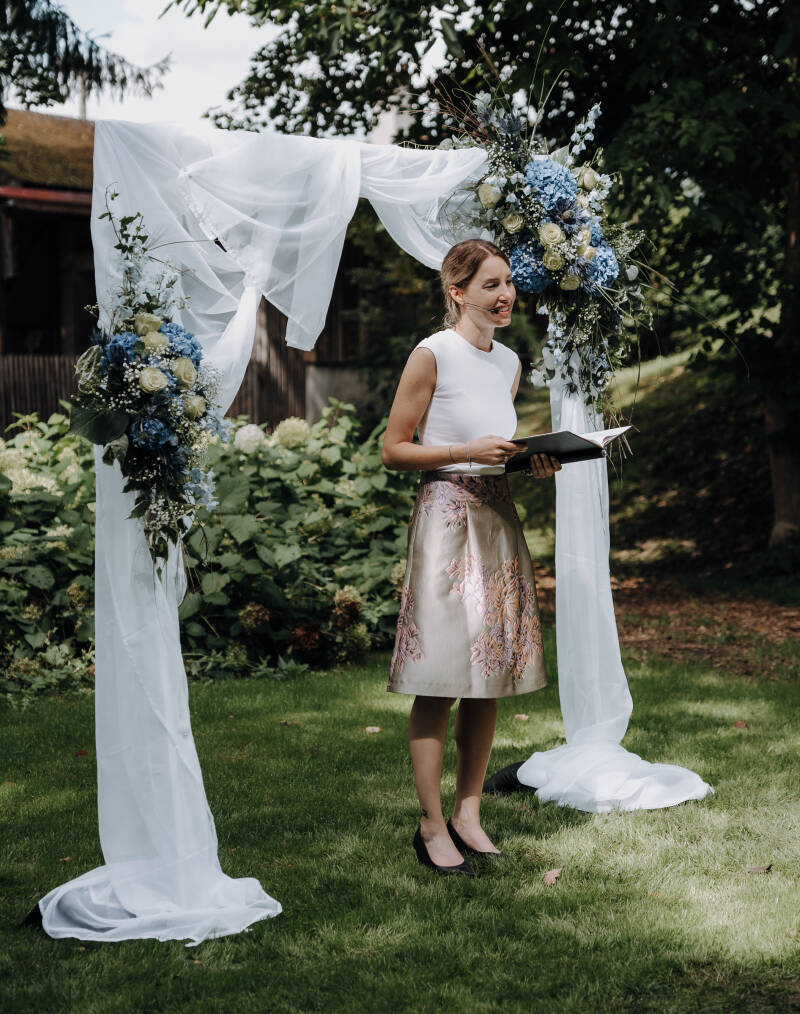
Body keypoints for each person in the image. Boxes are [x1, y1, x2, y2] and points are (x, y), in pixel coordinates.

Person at [380, 238, 561, 876]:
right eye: (490, 284)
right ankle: (430, 824)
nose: (505, 294)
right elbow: (394, 449)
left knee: (489, 679)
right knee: (442, 679)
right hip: (446, 518)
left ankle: (469, 814)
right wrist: (465, 453)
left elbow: (496, 448)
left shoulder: (509, 362)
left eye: (508, 282)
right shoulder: (432, 354)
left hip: (498, 515)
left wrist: (529, 461)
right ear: (457, 292)